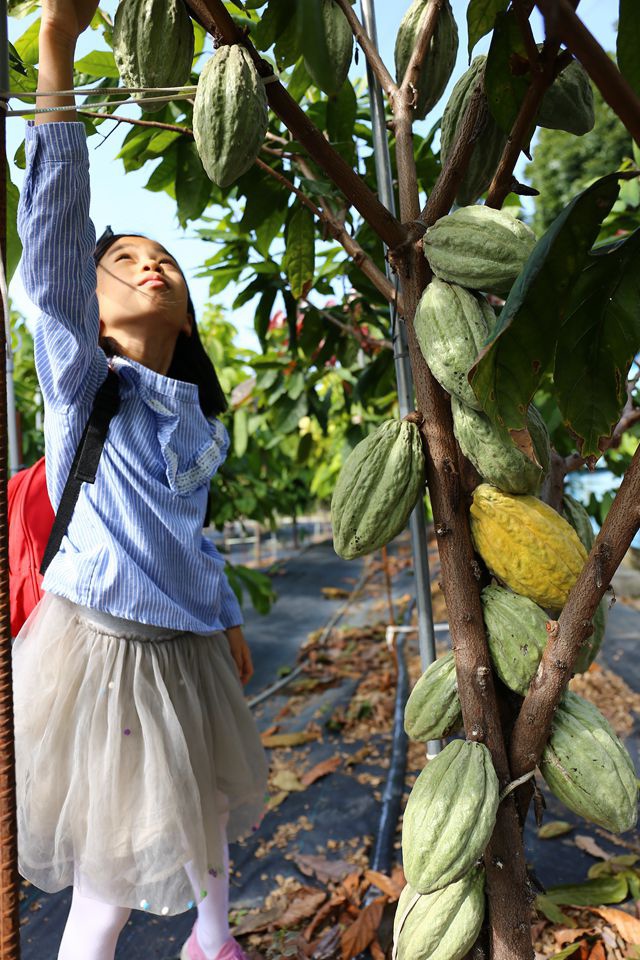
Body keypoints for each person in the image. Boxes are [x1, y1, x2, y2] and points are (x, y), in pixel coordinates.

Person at [12, 3, 270, 959]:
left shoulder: (195, 419)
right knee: (112, 881)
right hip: (108, 654)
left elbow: (189, 533)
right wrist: (56, 55)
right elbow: (52, 244)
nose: (150, 265)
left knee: (203, 807)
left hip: (187, 644)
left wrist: (230, 613)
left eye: (164, 260)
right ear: (93, 302)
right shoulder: (87, 387)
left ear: (189, 316)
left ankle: (214, 943)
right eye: (123, 260)